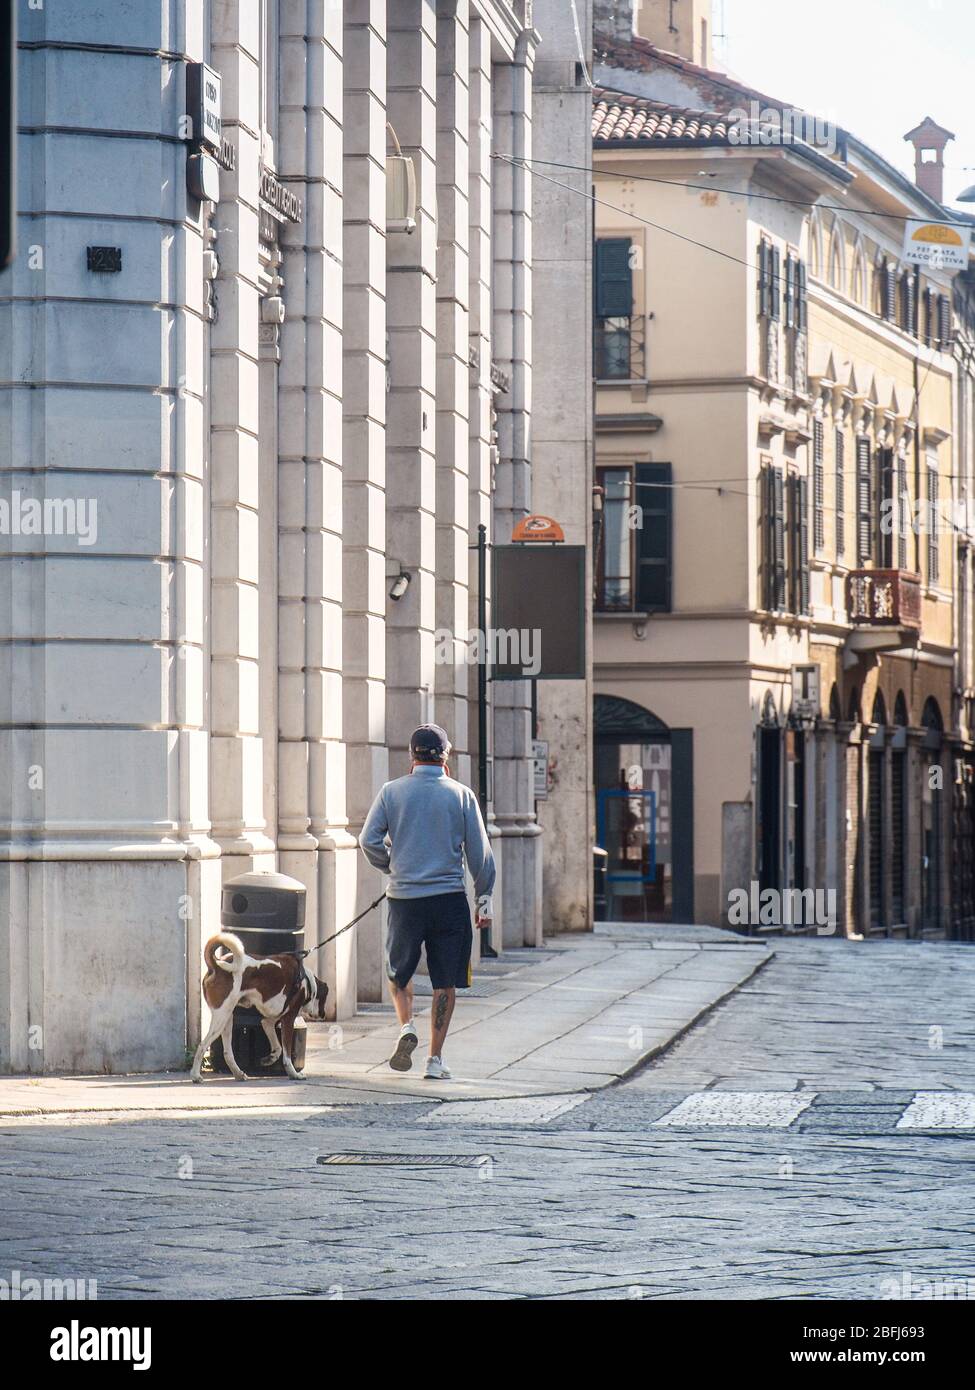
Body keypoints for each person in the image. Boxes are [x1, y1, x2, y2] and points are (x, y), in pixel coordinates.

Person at [360, 724, 495, 1079]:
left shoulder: (392, 792)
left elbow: (368, 840)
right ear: (445, 757)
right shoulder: (461, 795)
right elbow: (480, 855)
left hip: (405, 899)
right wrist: (484, 899)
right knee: (445, 980)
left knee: (398, 971)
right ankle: (435, 1060)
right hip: (449, 900)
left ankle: (406, 1026)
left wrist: (392, 865)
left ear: (411, 755)